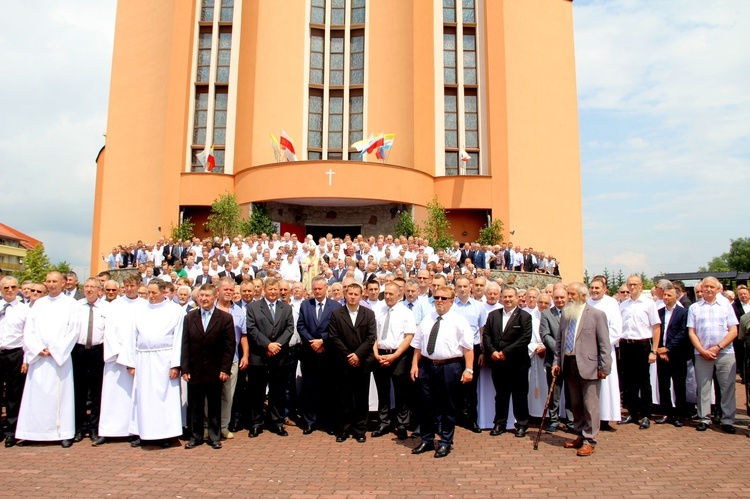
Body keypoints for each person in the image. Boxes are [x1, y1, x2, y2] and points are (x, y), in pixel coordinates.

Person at [119, 279, 185, 448]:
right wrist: (131, 363)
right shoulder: (140, 310)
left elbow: (179, 339)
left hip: (164, 360)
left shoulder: (175, 310)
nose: (150, 296)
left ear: (164, 292)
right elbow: (131, 336)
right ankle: (142, 432)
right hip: (143, 359)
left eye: (154, 293)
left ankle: (165, 435)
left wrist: (175, 364)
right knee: (143, 397)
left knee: (164, 398)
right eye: (148, 292)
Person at [410, 285, 474, 458]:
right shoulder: (427, 318)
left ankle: (445, 442)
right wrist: (414, 365)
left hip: (449, 367)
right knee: (425, 404)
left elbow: (468, 348)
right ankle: (427, 439)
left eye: (443, 298)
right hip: (427, 366)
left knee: (448, 405)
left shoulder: (459, 321)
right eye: (436, 297)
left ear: (452, 301)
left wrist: (469, 369)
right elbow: (417, 345)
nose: (439, 301)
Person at [15, 271, 78, 447]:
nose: (51, 284)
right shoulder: (39, 304)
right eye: (49, 281)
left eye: (55, 281)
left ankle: (63, 433)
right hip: (39, 358)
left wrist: (56, 350)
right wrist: (37, 348)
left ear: (63, 283)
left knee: (61, 396)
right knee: (35, 396)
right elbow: (29, 330)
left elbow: (73, 331)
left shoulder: (71, 304)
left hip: (59, 358)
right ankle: (31, 432)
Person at [551, 282, 611, 457]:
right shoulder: (566, 315)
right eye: (568, 294)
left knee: (590, 404)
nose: (569, 297)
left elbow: (604, 344)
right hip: (569, 364)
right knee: (575, 403)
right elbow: (559, 342)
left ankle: (590, 439)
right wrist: (557, 362)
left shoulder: (597, 315)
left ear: (583, 296)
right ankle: (579, 434)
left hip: (590, 366)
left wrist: (604, 367)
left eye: (572, 294)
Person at [182, 284, 236, 450]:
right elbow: (184, 344)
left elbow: (229, 347)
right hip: (195, 369)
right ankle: (195, 436)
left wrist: (225, 369)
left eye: (207, 296)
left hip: (215, 369)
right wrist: (185, 369)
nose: (204, 299)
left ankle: (214, 436)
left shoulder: (225, 318)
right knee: (195, 404)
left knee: (214, 404)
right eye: (201, 296)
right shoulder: (190, 318)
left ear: (215, 297)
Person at [95, 271, 145, 446]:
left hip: (136, 359)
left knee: (134, 397)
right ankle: (108, 430)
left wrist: (133, 357)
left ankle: (134, 431)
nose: (129, 289)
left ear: (139, 286)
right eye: (127, 286)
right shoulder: (114, 305)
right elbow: (108, 331)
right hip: (116, 359)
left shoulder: (145, 306)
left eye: (133, 286)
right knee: (112, 395)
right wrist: (119, 353)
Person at [687, 277, 738, 433]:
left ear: (718, 289)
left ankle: (727, 420)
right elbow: (692, 332)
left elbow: (733, 330)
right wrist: (702, 350)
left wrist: (718, 347)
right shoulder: (695, 308)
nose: (708, 289)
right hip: (702, 353)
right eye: (706, 287)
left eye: (711, 287)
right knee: (703, 387)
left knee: (727, 386)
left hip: (725, 352)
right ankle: (704, 418)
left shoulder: (726, 306)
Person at [328, 282, 377, 443]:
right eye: (350, 294)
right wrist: (349, 355)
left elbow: (371, 338)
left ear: (361, 295)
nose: (353, 297)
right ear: (345, 294)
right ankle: (344, 429)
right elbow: (334, 337)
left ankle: (360, 430)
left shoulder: (368, 314)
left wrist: (358, 355)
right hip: (343, 362)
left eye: (356, 294)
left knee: (361, 397)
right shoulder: (337, 314)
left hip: (362, 362)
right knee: (344, 397)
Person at [245, 278, 294, 437]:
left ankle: (277, 422)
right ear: (264, 290)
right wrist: (267, 345)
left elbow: (289, 328)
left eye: (276, 289)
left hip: (279, 357)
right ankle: (256, 423)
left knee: (278, 391)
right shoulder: (253, 307)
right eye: (270, 289)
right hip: (259, 356)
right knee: (257, 392)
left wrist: (276, 345)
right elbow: (251, 329)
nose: (273, 292)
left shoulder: (286, 308)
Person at [483, 286, 532, 438]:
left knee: (520, 395)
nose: (508, 299)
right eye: (505, 297)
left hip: (518, 364)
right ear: (501, 298)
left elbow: (525, 338)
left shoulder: (524, 316)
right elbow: (486, 336)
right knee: (501, 395)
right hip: (498, 363)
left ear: (517, 298)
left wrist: (505, 352)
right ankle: (500, 423)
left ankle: (522, 424)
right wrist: (493, 352)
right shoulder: (493, 315)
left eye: (511, 296)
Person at [297, 276, 342, 434]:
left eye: (320, 288)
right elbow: (301, 326)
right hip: (309, 354)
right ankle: (310, 421)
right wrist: (312, 342)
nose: (317, 291)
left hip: (328, 354)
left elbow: (336, 329)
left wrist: (322, 341)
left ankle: (328, 422)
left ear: (326, 288)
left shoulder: (335, 306)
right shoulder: (305, 305)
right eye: (314, 288)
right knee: (310, 389)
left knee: (328, 389)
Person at [371, 282, 416, 440]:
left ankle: (402, 424)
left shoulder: (406, 312)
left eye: (391, 294)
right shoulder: (377, 310)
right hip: (380, 355)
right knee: (382, 391)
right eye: (386, 294)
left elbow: (409, 336)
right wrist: (376, 354)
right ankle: (384, 423)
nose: (388, 297)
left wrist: (395, 356)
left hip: (399, 356)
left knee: (401, 392)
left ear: (399, 294)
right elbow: (373, 335)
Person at [618, 275, 660, 429]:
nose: (632, 287)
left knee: (644, 381)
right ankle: (632, 412)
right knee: (628, 382)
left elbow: (656, 327)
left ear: (641, 286)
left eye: (635, 284)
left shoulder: (649, 304)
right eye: (630, 284)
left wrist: (654, 350)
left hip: (642, 345)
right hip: (626, 345)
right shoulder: (623, 305)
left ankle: (646, 414)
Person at [70, 278, 108, 443]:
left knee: (96, 392)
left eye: (93, 287)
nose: (89, 290)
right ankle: (79, 428)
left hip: (98, 352)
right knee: (78, 391)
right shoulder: (76, 306)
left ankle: (94, 428)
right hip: (78, 352)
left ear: (99, 290)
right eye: (87, 287)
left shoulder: (106, 308)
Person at [586, 277, 623, 429]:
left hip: (605, 350)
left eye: (597, 288)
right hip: (588, 351)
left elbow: (616, 328)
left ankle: (605, 417)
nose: (594, 290)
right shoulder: (586, 302)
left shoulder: (611, 303)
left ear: (604, 289)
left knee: (606, 386)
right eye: (592, 287)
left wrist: (602, 345)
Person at [215, 277, 248, 439]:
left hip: (232, 359)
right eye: (225, 289)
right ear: (218, 291)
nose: (228, 292)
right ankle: (208, 425)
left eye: (231, 290)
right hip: (212, 360)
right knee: (210, 395)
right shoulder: (209, 308)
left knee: (228, 395)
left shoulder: (238, 311)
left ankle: (223, 426)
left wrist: (245, 355)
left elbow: (243, 335)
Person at [452, 276, 486, 433]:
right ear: (455, 288)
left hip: (473, 349)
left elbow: (482, 331)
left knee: (471, 387)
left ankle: (472, 420)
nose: (462, 289)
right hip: (454, 351)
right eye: (459, 286)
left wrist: (483, 352)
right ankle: (455, 418)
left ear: (470, 287)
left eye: (465, 286)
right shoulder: (451, 306)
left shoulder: (479, 307)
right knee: (454, 386)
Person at [0, 276, 29, 447]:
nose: (10, 290)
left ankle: (11, 431)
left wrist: (25, 359)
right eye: (6, 287)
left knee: (13, 394)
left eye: (13, 287)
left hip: (15, 354)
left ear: (18, 288)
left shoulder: (24, 310)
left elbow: (27, 336)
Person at [654, 284, 689, 427]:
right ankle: (667, 412)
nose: (666, 298)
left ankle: (680, 414)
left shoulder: (683, 312)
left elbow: (682, 333)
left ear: (676, 296)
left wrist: (667, 349)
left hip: (677, 354)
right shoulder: (659, 312)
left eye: (669, 295)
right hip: (661, 355)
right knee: (663, 385)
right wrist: (660, 351)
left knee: (679, 385)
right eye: (665, 295)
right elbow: (656, 331)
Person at [540, 286, 568, 432]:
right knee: (554, 392)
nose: (559, 300)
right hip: (553, 359)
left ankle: (571, 421)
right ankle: (554, 420)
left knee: (571, 392)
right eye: (556, 298)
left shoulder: (573, 313)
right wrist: (559, 350)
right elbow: (545, 334)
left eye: (562, 297)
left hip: (570, 359)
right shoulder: (546, 314)